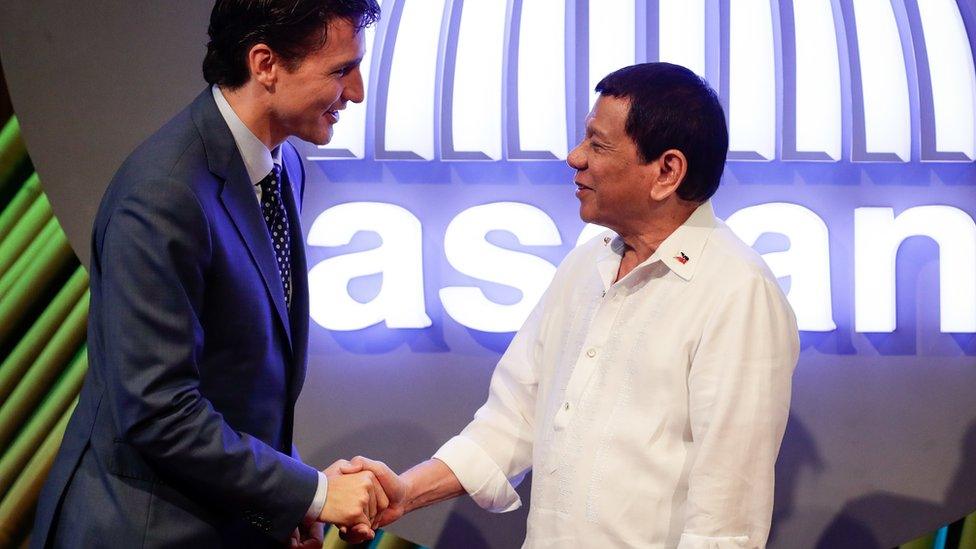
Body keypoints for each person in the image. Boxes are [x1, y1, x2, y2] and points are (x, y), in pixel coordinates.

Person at [345, 62, 801, 548]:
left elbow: (726, 525)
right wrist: (406, 492)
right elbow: (512, 420)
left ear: (667, 171)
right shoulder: (585, 266)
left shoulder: (738, 291)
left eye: (597, 144)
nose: (574, 157)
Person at [31, 1, 385, 547]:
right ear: (265, 64)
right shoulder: (164, 195)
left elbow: (241, 383)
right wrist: (312, 492)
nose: (357, 91)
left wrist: (286, 498)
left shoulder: (282, 164)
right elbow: (157, 412)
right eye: (341, 70)